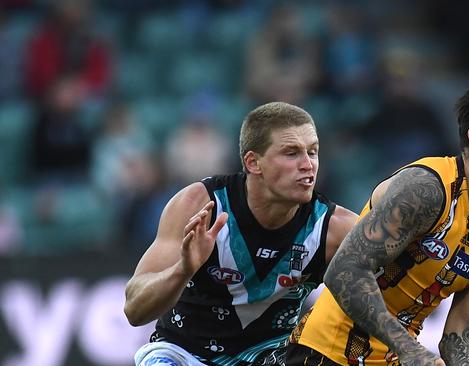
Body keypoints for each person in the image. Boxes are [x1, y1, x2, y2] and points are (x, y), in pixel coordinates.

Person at [285, 72, 469, 366]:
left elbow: (462, 338)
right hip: (323, 354)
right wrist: (411, 350)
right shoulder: (427, 189)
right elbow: (344, 271)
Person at [124, 102, 358, 366]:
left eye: (313, 152)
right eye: (291, 153)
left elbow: (382, 300)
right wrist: (183, 269)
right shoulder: (199, 205)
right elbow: (134, 310)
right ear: (253, 162)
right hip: (182, 356)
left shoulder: (337, 230)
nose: (308, 165)